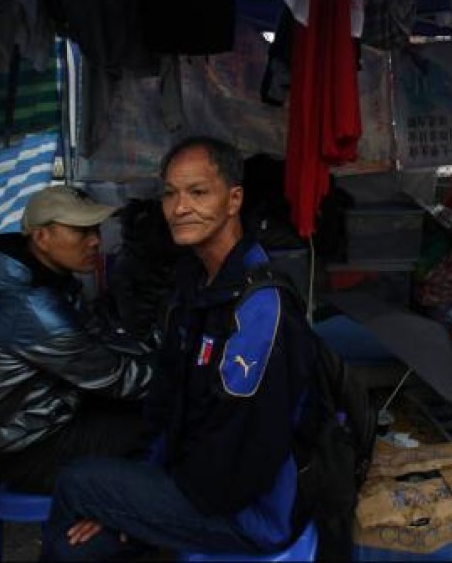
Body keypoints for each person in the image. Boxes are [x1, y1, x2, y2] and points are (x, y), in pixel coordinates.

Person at [42, 136, 318, 560]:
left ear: (233, 199)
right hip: (193, 481)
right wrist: (136, 495)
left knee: (78, 483)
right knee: (76, 544)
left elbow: (242, 453)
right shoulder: (193, 286)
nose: (179, 207)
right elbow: (168, 402)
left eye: (198, 192)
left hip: (247, 512)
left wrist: (138, 508)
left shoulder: (262, 307)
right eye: (170, 194)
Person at [0, 185, 155, 492]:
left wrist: (152, 351)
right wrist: (186, 376)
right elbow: (116, 378)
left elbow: (97, 339)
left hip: (48, 416)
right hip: (28, 449)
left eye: (96, 230)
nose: (96, 242)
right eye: (81, 232)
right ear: (41, 237)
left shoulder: (47, 282)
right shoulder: (32, 309)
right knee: (164, 417)